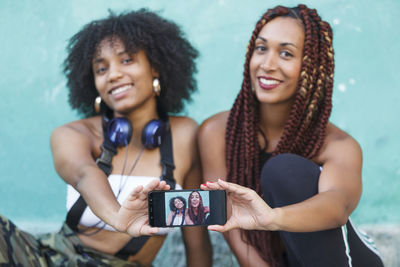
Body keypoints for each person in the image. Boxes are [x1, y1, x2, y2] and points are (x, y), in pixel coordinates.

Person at [0, 9, 211, 267]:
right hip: (50, 259)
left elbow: (197, 242)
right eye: (101, 69)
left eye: (126, 60)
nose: (112, 75)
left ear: (155, 66)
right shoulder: (73, 134)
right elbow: (84, 174)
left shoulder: (185, 135)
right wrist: (119, 217)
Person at [198, 4, 384, 267]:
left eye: (286, 53)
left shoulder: (338, 145)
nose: (267, 64)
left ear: (312, 67)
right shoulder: (216, 133)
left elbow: (337, 206)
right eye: (261, 48)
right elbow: (233, 227)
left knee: (283, 170)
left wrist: (271, 217)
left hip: (344, 259)